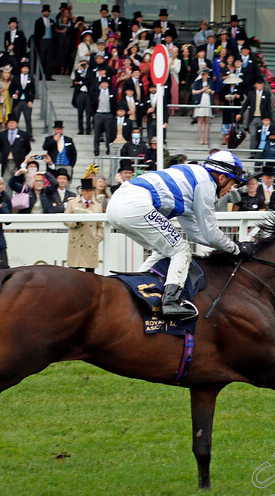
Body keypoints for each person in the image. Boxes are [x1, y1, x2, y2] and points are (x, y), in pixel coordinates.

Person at [106, 151, 250, 319]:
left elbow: (196, 233)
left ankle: (137, 290)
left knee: (164, 250)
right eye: (233, 184)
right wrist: (236, 249)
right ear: (222, 178)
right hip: (135, 205)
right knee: (181, 249)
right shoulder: (205, 184)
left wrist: (231, 247)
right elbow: (210, 233)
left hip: (117, 206)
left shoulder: (191, 180)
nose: (230, 191)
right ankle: (171, 303)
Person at [63, 178, 103, 273]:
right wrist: (75, 222)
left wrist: (97, 238)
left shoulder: (97, 205)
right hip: (77, 242)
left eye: (91, 191)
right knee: (73, 273)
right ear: (82, 191)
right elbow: (65, 220)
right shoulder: (72, 203)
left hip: (90, 242)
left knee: (90, 274)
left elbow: (100, 226)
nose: (90, 193)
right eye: (87, 191)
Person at [237, 79, 272, 152]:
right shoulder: (251, 94)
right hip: (253, 118)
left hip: (262, 118)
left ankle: (259, 152)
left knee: (260, 135)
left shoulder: (266, 94)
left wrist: (268, 118)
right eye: (258, 84)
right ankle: (252, 152)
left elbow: (268, 107)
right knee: (253, 135)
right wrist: (240, 113)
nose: (260, 86)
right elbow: (245, 104)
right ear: (255, 85)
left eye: (261, 84)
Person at [90, 78, 116, 156]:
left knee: (109, 134)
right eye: (103, 83)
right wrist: (94, 114)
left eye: (106, 83)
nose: (104, 85)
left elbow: (114, 104)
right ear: (100, 84)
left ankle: (108, 149)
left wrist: (113, 114)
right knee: (97, 134)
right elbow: (92, 103)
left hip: (108, 114)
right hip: (98, 114)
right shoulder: (96, 93)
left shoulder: (112, 93)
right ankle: (96, 150)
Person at [192, 68, 214, 145]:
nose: (205, 76)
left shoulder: (210, 81)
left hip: (208, 101)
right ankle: (201, 138)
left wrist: (210, 91)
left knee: (207, 120)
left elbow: (213, 91)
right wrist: (203, 90)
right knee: (200, 120)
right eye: (204, 74)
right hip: (200, 101)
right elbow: (194, 92)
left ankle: (206, 138)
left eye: (207, 74)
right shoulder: (198, 82)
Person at [34, 4, 56, 78]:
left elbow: (54, 31)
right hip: (43, 40)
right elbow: (36, 32)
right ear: (43, 13)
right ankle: (40, 75)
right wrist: (38, 41)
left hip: (50, 40)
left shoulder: (51, 21)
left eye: (47, 12)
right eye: (45, 12)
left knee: (49, 58)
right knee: (41, 58)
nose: (46, 13)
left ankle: (48, 75)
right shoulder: (39, 21)